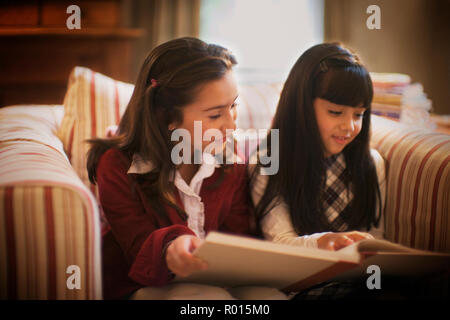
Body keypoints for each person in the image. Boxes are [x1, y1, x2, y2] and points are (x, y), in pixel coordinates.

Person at [87, 37, 287, 300]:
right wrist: (172, 247)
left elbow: (236, 235)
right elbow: (137, 246)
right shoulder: (117, 167)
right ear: (167, 117)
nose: (231, 125)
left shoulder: (228, 161)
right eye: (215, 115)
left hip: (212, 279)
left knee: (269, 297)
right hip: (141, 285)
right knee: (207, 299)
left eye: (234, 106)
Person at [249, 43, 386, 298]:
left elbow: (375, 236)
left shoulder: (371, 163)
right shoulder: (270, 164)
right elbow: (280, 244)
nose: (349, 126)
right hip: (299, 287)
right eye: (335, 112)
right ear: (301, 106)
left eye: (359, 115)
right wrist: (325, 243)